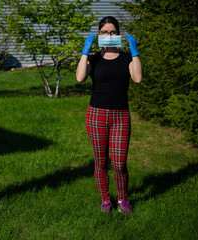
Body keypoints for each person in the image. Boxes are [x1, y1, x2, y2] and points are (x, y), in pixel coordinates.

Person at [76, 16, 143, 214]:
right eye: (104, 32)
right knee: (101, 161)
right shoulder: (94, 58)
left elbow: (137, 78)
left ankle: (123, 200)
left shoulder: (126, 58)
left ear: (118, 34)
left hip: (121, 116)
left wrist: (134, 51)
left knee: (119, 163)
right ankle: (106, 200)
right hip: (96, 115)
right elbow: (80, 77)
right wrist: (85, 51)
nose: (109, 35)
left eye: (113, 32)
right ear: (99, 35)